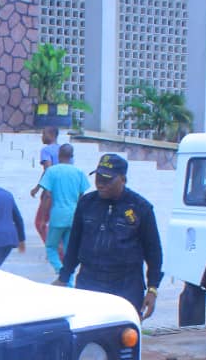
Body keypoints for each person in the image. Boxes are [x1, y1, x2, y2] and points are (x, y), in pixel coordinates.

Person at [55, 153, 162, 320]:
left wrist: (153, 289)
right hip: (89, 283)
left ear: (123, 179)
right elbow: (74, 244)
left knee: (123, 339)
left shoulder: (141, 208)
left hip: (126, 286)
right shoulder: (86, 204)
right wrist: (63, 277)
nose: (100, 184)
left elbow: (154, 252)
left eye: (107, 179)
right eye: (98, 177)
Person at [38, 143, 90, 276]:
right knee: (69, 252)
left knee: (51, 247)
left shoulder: (52, 171)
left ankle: (60, 272)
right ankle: (69, 279)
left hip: (57, 215)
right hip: (73, 216)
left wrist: (43, 218)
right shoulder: (78, 172)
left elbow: (47, 196)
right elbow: (81, 197)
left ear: (59, 155)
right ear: (72, 156)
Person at [32, 126, 62, 242]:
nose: (42, 137)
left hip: (51, 190)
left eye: (44, 134)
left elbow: (48, 170)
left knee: (40, 222)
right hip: (65, 190)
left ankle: (54, 248)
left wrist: (38, 188)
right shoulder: (64, 150)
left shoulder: (46, 150)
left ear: (51, 135)